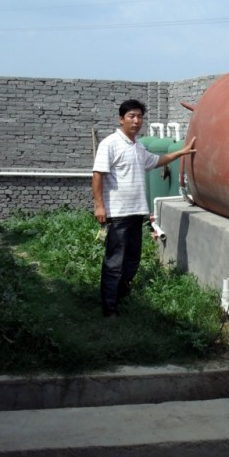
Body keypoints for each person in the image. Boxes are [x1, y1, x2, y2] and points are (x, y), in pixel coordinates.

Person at [92, 99, 196, 317]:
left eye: (139, 116)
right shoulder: (109, 144)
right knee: (114, 262)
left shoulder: (138, 146)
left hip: (136, 211)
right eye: (131, 116)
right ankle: (109, 309)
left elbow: (157, 160)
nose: (136, 121)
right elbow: (98, 175)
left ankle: (121, 296)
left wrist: (182, 152)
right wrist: (99, 206)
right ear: (121, 119)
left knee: (132, 258)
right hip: (117, 214)